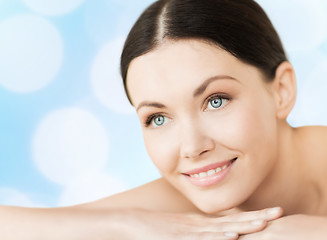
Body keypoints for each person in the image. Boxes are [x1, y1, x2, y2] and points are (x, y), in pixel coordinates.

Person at [1, 0, 327, 239]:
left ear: (281, 91)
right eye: (158, 118)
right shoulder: (188, 196)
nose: (191, 147)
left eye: (216, 101)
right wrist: (124, 225)